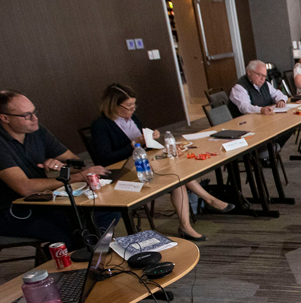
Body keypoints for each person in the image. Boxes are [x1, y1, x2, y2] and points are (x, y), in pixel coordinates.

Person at [0, 90, 120, 250]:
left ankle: (96, 258)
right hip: (9, 213)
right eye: (27, 115)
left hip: (42, 203)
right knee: (69, 235)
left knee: (107, 212)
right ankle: (80, 266)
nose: (35, 118)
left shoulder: (36, 131)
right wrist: (77, 177)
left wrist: (63, 167)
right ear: (4, 118)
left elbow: (77, 163)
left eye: (35, 112)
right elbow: (24, 187)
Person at [90, 84, 233, 242]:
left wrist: (151, 137)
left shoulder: (132, 119)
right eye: (129, 106)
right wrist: (132, 145)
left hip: (142, 164)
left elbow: (144, 146)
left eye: (134, 105)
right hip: (122, 173)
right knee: (176, 178)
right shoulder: (100, 126)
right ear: (113, 105)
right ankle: (205, 204)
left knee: (177, 172)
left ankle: (198, 213)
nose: (132, 110)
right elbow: (105, 159)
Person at [231, 60, 296, 162]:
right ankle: (263, 155)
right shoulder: (239, 87)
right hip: (248, 127)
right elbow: (245, 107)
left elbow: (278, 94)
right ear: (249, 72)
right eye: (259, 75)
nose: (262, 79)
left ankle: (269, 154)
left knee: (289, 127)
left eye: (264, 76)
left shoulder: (265, 84)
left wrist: (281, 100)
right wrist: (261, 110)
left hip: (264, 122)